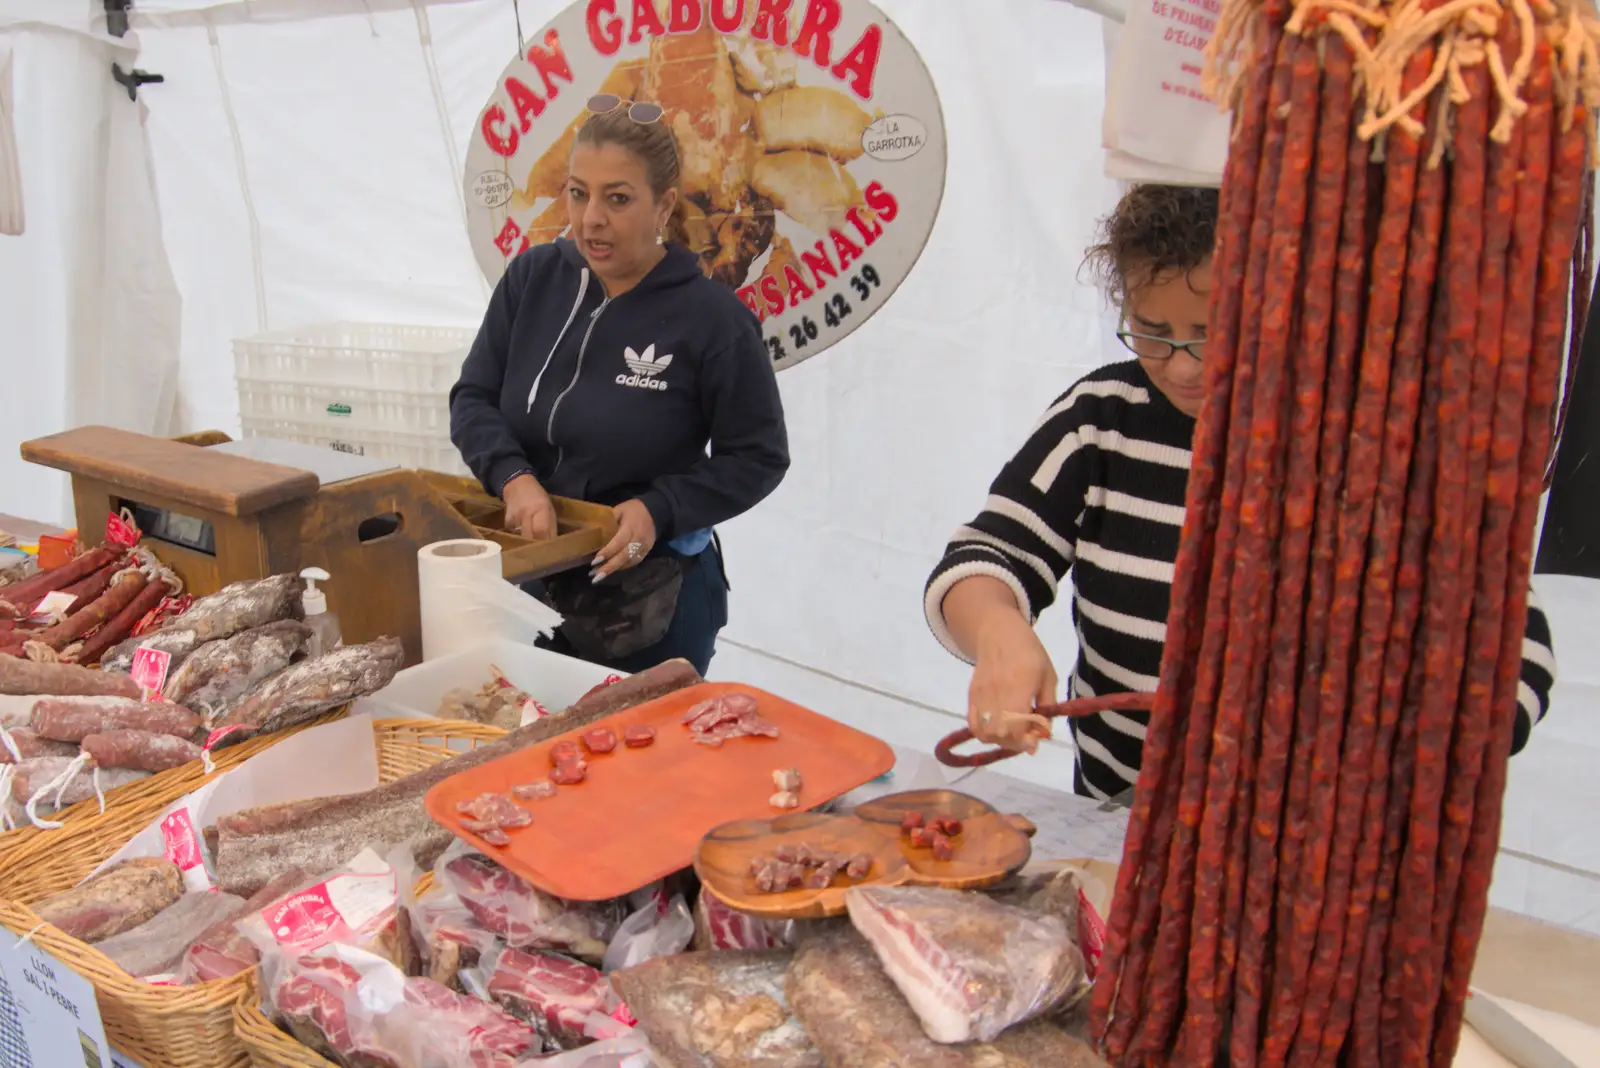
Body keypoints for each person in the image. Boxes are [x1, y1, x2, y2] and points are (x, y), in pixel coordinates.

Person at [923, 183, 1557, 799]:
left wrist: (1418, 742)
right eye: (1151, 329)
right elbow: (986, 558)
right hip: (1125, 817)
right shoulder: (1102, 419)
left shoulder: (1387, 446)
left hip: (1321, 843)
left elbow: (1513, 649)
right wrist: (999, 629)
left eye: (1213, 332)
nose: (1181, 366)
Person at [450, 96, 790, 677]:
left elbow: (757, 457)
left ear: (664, 206)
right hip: (529, 583)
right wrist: (513, 477)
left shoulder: (714, 321)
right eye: (578, 193)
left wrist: (661, 508)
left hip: (652, 600)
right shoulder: (532, 279)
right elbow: (474, 398)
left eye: (618, 198)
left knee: (635, 762)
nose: (590, 219)